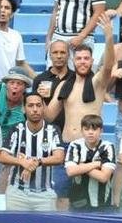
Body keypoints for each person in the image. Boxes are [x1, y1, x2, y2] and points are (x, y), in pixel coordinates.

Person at [44, 16, 115, 145]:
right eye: (79, 59)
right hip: (66, 145)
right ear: (73, 61)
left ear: (92, 61)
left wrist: (109, 37)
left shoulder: (97, 82)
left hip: (90, 146)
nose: (82, 62)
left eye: (86, 58)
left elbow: (109, 66)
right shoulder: (63, 85)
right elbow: (49, 116)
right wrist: (42, 99)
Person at [1, 92, 64, 210]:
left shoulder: (53, 130)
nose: (35, 109)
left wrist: (37, 162)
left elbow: (59, 157)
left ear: (43, 108)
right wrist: (22, 162)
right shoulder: (16, 129)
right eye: (30, 105)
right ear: (23, 109)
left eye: (38, 105)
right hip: (17, 193)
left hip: (44, 194)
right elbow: (2, 157)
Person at [63, 113, 115, 211]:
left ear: (101, 131)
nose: (90, 132)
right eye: (87, 129)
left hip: (102, 203)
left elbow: (103, 177)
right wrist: (96, 164)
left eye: (94, 129)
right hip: (78, 202)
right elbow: (70, 172)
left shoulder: (108, 147)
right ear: (82, 131)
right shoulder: (75, 145)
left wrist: (81, 166)